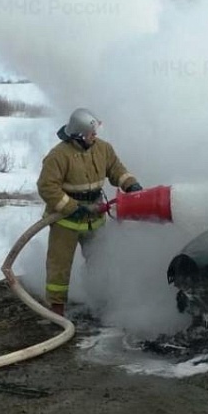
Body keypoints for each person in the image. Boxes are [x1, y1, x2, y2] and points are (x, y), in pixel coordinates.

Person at [36, 107, 142, 316]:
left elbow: (116, 170)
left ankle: (100, 300)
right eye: (92, 134)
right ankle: (57, 310)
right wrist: (72, 208)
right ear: (79, 134)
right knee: (60, 266)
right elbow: (47, 187)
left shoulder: (103, 149)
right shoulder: (58, 156)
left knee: (100, 260)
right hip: (66, 221)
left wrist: (130, 184)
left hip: (95, 218)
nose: (95, 137)